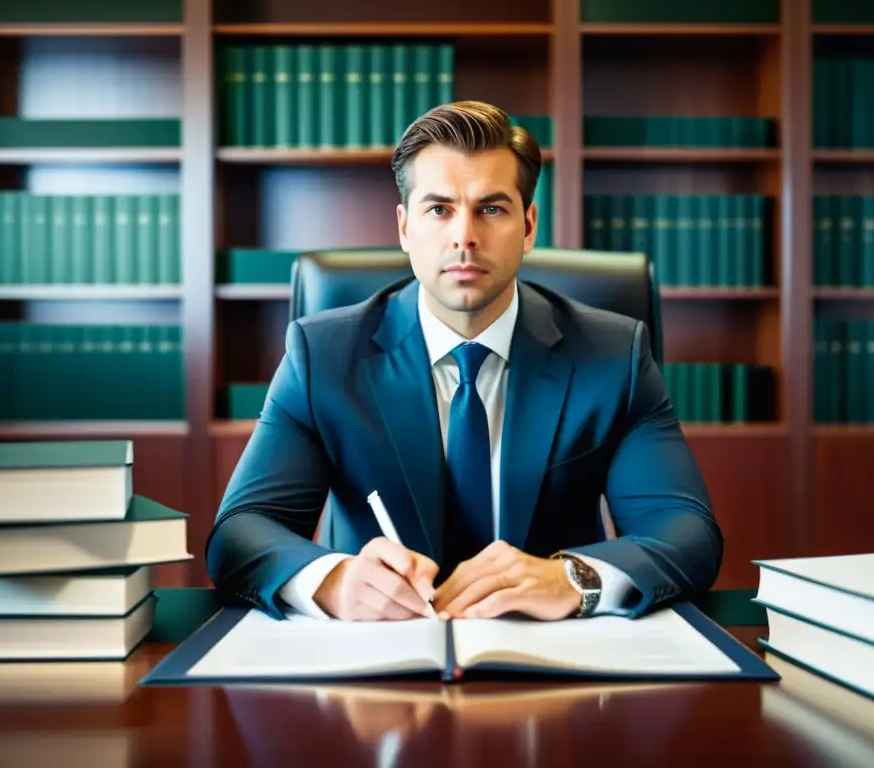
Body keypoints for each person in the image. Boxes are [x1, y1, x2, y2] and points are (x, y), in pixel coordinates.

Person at [206, 100, 722, 623]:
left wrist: (574, 577)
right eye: (439, 209)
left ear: (528, 226)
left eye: (491, 209)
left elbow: (687, 531)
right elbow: (241, 531)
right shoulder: (323, 357)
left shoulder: (614, 355)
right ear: (405, 228)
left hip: (553, 662)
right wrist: (334, 581)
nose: (464, 237)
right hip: (377, 663)